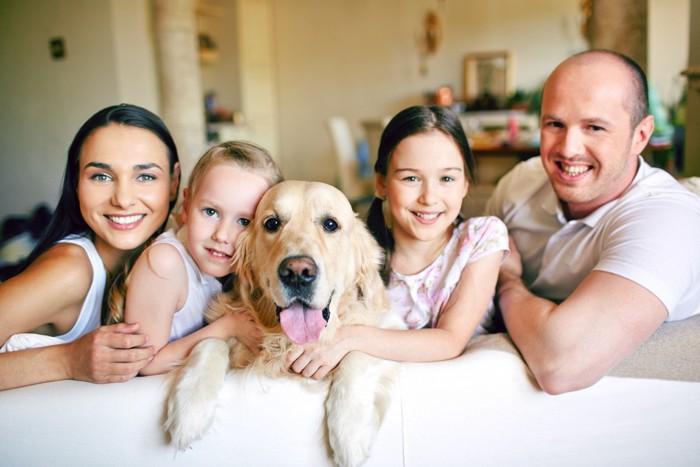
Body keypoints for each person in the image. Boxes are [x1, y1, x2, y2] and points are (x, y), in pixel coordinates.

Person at [485, 50, 700, 395]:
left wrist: (507, 278)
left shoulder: (669, 221)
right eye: (555, 124)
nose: (568, 149)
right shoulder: (520, 183)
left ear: (641, 136)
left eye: (594, 127)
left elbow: (561, 366)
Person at [287, 105, 509, 379]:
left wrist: (351, 338)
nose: (429, 197)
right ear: (381, 183)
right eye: (411, 178)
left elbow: (450, 340)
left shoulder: (481, 238)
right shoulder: (359, 254)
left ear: (465, 184)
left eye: (447, 178)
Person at [0, 103, 181, 390]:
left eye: (145, 176)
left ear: (173, 182)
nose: (122, 198)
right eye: (101, 176)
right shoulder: (69, 271)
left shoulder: (174, 251)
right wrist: (67, 360)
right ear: (76, 183)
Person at [106, 141, 283, 375]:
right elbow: (145, 365)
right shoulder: (165, 263)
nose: (221, 235)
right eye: (211, 212)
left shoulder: (241, 266)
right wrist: (227, 328)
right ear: (187, 206)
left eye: (244, 222)